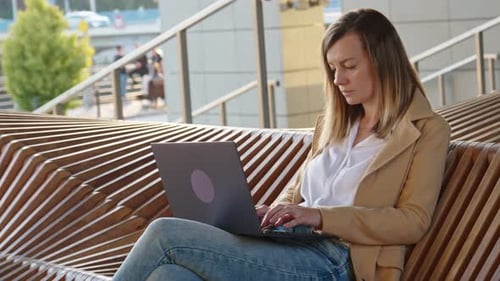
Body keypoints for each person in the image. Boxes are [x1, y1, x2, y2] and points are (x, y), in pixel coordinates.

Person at [112, 8, 450, 281]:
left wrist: (319, 216)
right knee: (169, 276)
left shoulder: (425, 130)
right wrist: (274, 213)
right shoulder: (334, 125)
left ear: (384, 63)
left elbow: (412, 220)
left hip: (340, 262)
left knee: (164, 234)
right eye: (332, 68)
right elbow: (297, 193)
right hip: (292, 245)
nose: (338, 80)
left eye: (349, 66)